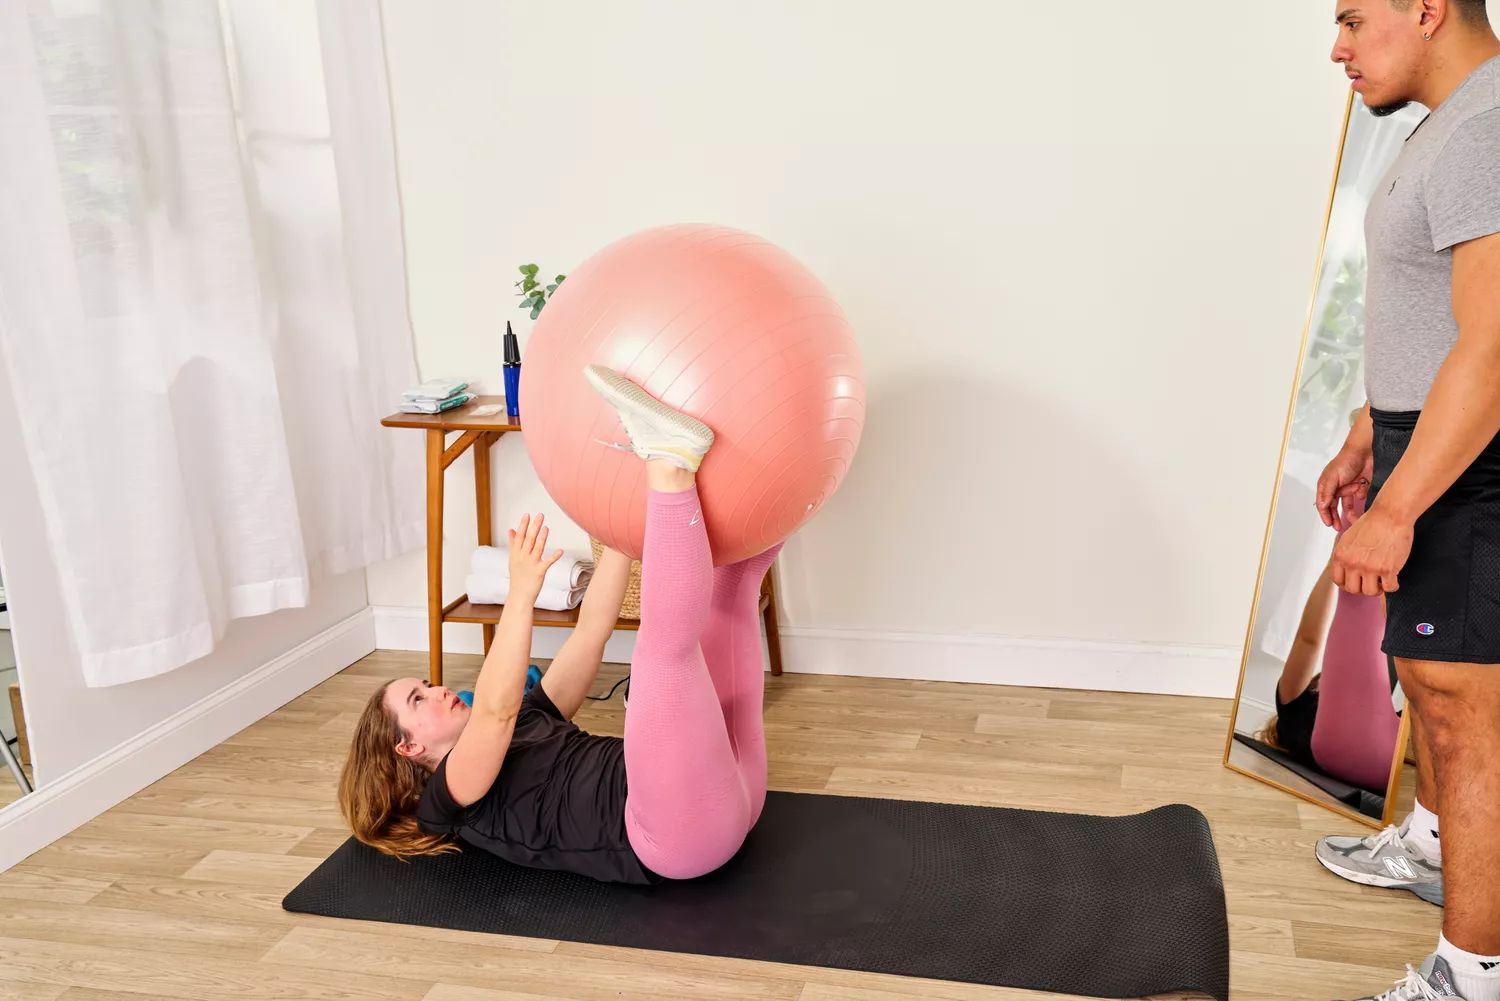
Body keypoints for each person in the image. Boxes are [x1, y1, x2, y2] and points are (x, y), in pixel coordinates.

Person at [339, 364, 781, 883]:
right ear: (409, 748)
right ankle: (672, 465)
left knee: (734, 589)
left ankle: (778, 475)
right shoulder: (450, 796)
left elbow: (592, 630)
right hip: (674, 838)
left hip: (734, 793)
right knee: (662, 656)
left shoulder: (531, 717)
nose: (437, 691)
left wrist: (618, 533)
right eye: (418, 700)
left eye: (426, 685)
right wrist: (521, 592)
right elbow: (494, 713)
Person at [1316, 2, 1500, 998]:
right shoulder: (1450, 120)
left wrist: (1400, 505)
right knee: (1432, 687)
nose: (1337, 46)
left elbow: (1495, 345)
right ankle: (1434, 843)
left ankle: (1473, 976)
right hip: (1420, 437)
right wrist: (1365, 430)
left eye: (1351, 18)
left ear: (1426, 7)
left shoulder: (1484, 129)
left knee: (1467, 714)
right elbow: (1430, 309)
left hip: (1467, 462)